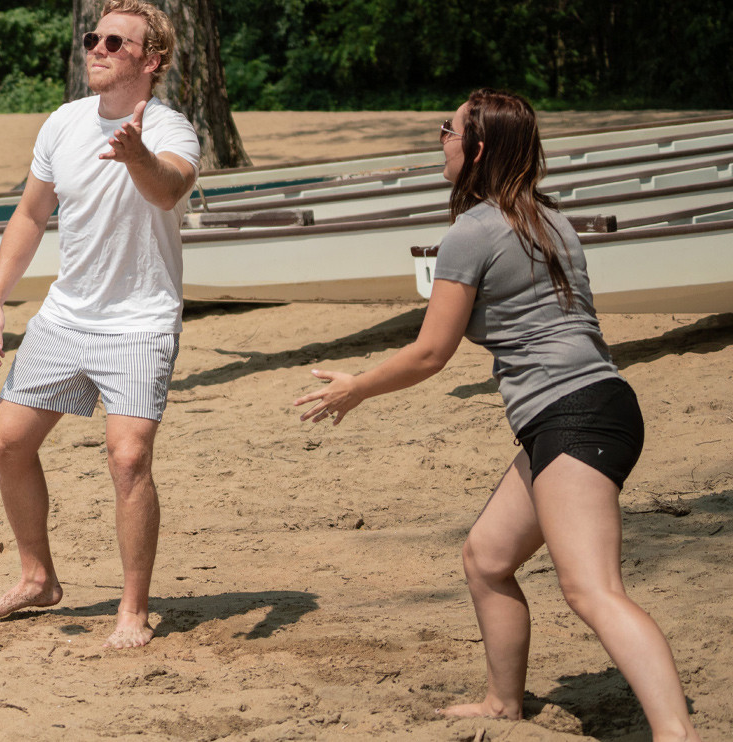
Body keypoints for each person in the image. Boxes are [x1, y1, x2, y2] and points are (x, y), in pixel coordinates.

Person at [293, 89, 701, 742]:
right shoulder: (550, 219)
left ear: (477, 149)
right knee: (486, 558)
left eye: (448, 128)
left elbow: (431, 352)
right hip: (589, 409)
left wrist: (357, 387)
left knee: (592, 589)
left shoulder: (472, 232)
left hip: (573, 416)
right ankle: (502, 703)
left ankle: (676, 733)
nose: (440, 137)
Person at [0, 0, 200, 649]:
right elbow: (30, 215)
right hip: (67, 316)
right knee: (8, 443)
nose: (97, 49)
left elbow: (169, 189)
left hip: (140, 322)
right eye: (92, 39)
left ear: (151, 60)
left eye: (114, 42)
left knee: (128, 459)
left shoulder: (170, 130)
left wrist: (137, 156)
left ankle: (132, 609)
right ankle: (37, 578)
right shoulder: (63, 123)